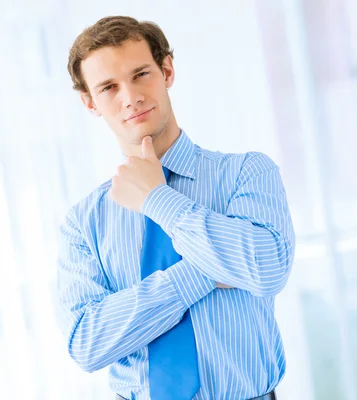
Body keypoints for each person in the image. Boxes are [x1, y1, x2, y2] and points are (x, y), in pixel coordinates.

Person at [56, 16, 295, 400]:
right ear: (90, 102)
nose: (130, 96)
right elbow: (86, 343)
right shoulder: (84, 222)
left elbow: (266, 268)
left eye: (140, 74)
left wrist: (158, 200)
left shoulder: (246, 173)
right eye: (108, 87)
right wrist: (205, 270)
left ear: (166, 70)